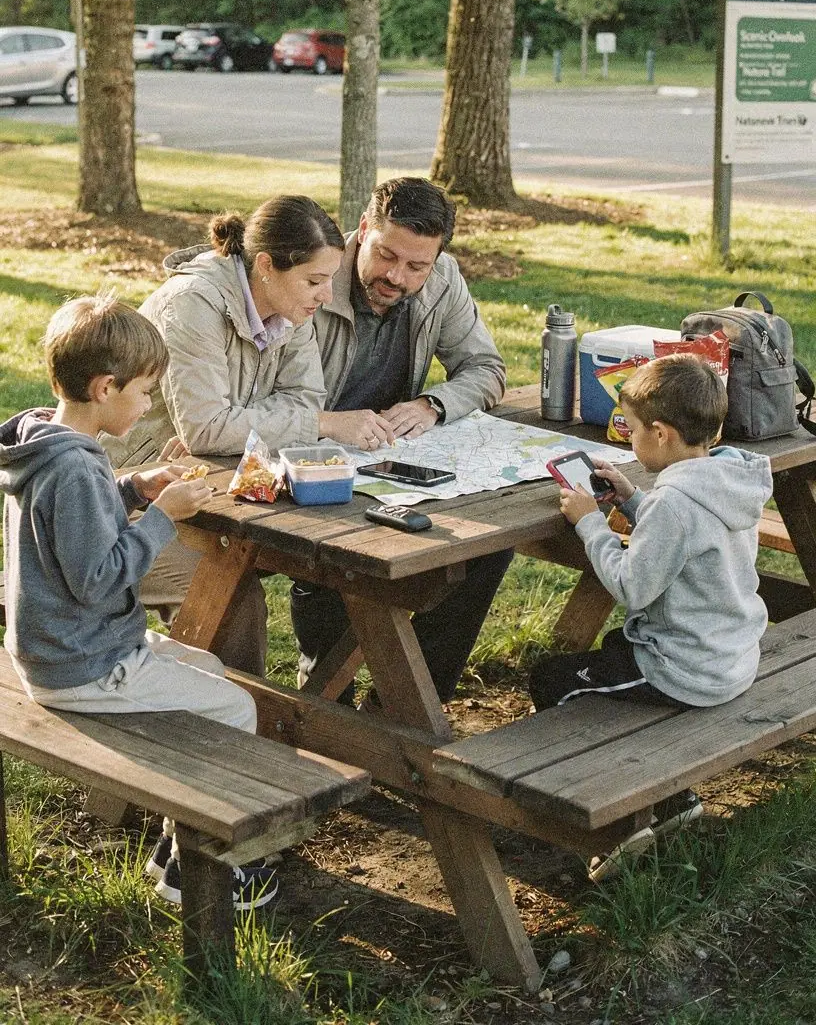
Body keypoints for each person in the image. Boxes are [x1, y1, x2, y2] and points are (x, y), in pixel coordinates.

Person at [0, 293, 278, 910]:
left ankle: (174, 840)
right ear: (105, 387)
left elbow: (74, 527)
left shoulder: (48, 444)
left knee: (208, 671)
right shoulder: (72, 467)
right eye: (147, 392)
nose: (151, 404)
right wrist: (161, 517)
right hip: (82, 666)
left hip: (64, 648)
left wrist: (131, 486)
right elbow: (99, 579)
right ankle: (200, 873)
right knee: (235, 710)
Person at [529, 353, 772, 882]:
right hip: (730, 654)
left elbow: (630, 585)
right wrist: (633, 498)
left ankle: (628, 814)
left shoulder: (675, 506)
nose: (628, 440)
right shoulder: (726, 482)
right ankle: (665, 797)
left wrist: (591, 524)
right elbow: (687, 538)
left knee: (552, 682)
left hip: (689, 671)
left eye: (631, 429)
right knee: (616, 651)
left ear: (659, 433)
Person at [293, 176, 511, 706]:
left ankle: (409, 704)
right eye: (386, 255)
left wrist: (432, 405)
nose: (397, 276)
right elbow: (264, 400)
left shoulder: (443, 281)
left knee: (488, 545)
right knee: (343, 560)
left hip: (388, 456)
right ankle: (326, 696)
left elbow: (485, 368)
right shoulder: (312, 279)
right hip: (309, 456)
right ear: (362, 230)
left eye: (417, 266)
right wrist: (328, 423)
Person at [107, 195, 346, 675]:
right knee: (231, 592)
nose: (326, 296)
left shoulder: (291, 308)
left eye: (330, 281)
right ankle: (237, 734)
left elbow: (305, 399)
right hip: (123, 505)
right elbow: (208, 427)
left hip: (209, 490)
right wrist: (286, 425)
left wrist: (237, 423)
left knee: (342, 569)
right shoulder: (192, 305)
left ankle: (296, 712)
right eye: (315, 280)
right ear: (266, 265)